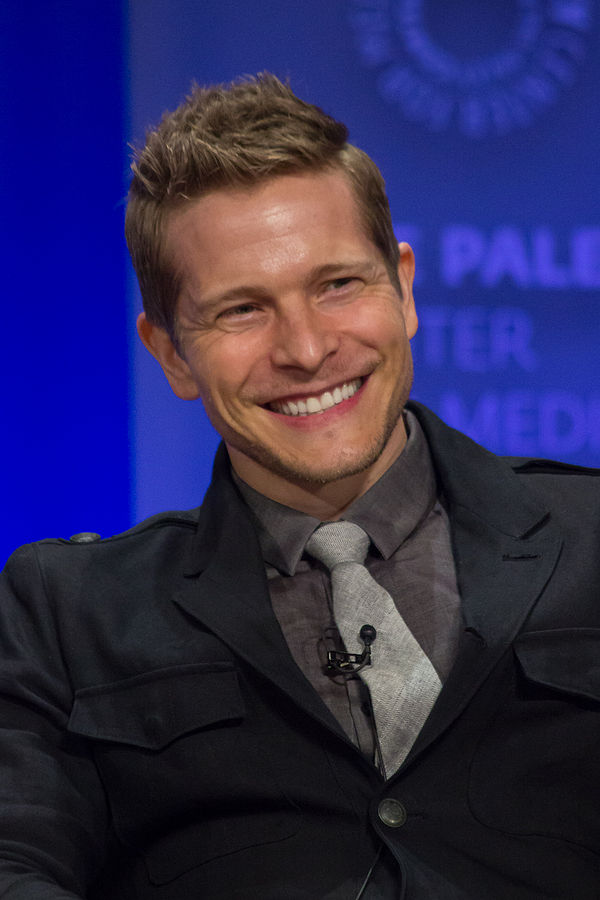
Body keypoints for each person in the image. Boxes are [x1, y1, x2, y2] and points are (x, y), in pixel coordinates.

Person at [0, 74, 599, 900]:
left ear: (404, 285)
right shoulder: (65, 614)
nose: (308, 349)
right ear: (171, 352)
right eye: (242, 310)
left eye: (338, 285)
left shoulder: (593, 539)